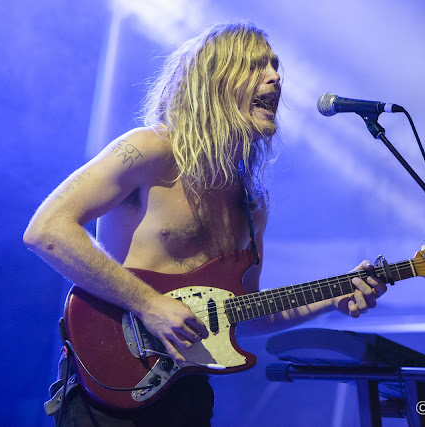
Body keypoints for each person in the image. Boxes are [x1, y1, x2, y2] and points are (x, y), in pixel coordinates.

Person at [24, 22, 387, 426]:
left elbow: (241, 316)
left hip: (188, 394)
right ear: (215, 80)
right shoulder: (149, 150)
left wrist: (330, 300)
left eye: (276, 66)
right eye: (256, 66)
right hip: (108, 384)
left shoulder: (252, 204)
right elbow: (47, 231)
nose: (276, 77)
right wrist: (149, 304)